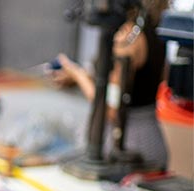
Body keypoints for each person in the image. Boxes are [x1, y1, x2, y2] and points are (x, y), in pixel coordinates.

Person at [49, 0, 169, 168]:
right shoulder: (155, 30)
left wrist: (78, 75)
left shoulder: (129, 37)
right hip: (150, 136)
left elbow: (111, 108)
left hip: (130, 143)